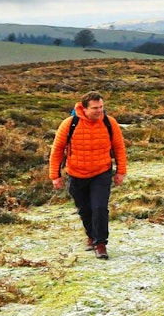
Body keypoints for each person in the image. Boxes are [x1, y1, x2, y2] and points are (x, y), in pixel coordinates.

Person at [49, 91, 127, 259]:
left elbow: (119, 148)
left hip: (102, 172)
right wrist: (55, 176)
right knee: (84, 209)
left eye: (101, 107)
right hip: (76, 174)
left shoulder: (109, 123)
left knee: (99, 208)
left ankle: (100, 244)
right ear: (83, 108)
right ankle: (91, 236)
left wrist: (121, 171)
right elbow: (57, 151)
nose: (99, 111)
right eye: (95, 108)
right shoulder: (69, 124)